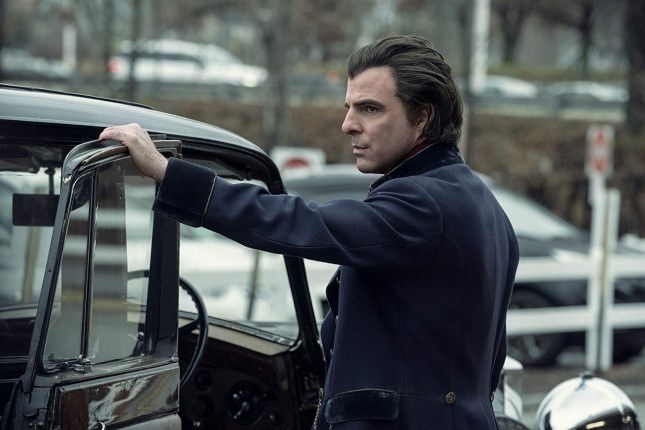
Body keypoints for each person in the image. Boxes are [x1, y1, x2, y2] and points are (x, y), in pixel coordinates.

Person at [100, 34, 519, 430]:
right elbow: (488, 360)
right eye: (349, 107)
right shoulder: (483, 205)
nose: (348, 124)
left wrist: (167, 172)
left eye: (370, 109)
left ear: (422, 116)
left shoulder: (424, 203)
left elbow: (302, 222)